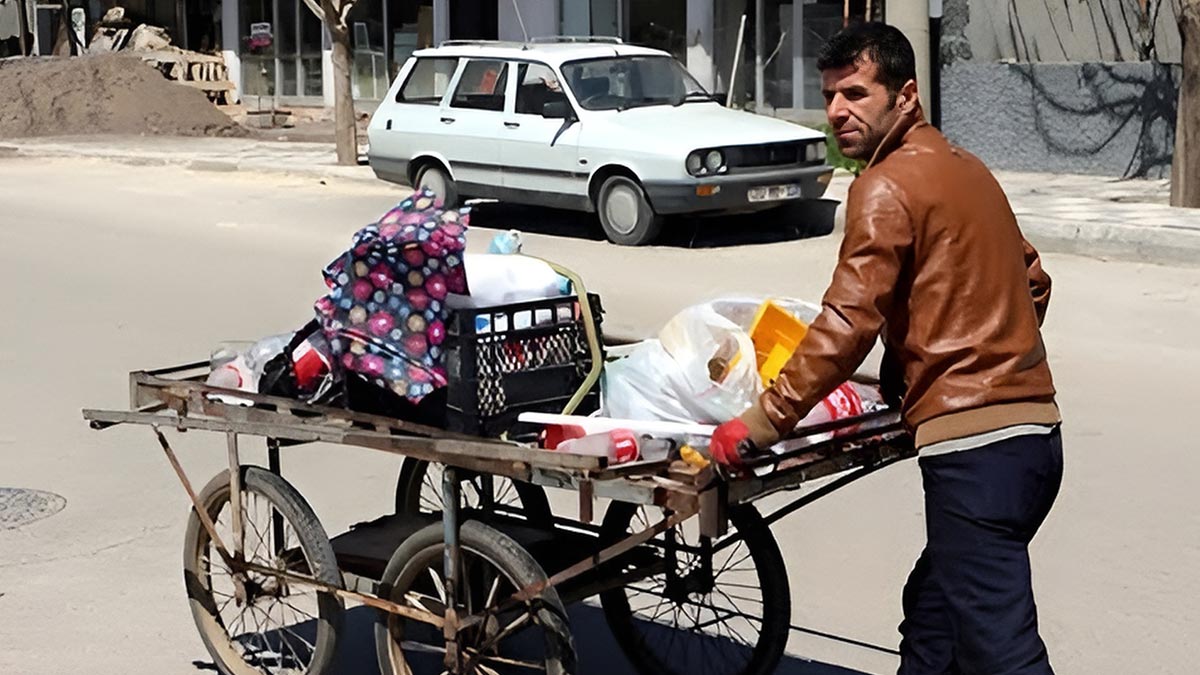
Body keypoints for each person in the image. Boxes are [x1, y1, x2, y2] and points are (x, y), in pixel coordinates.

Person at [709, 22, 1063, 675]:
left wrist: (757, 423)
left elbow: (846, 326)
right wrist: (942, 362)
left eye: (856, 93)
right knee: (934, 617)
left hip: (975, 456)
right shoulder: (969, 170)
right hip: (1037, 444)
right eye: (830, 95)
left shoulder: (883, 187)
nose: (837, 110)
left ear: (905, 96)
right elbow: (1032, 282)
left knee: (1000, 650)